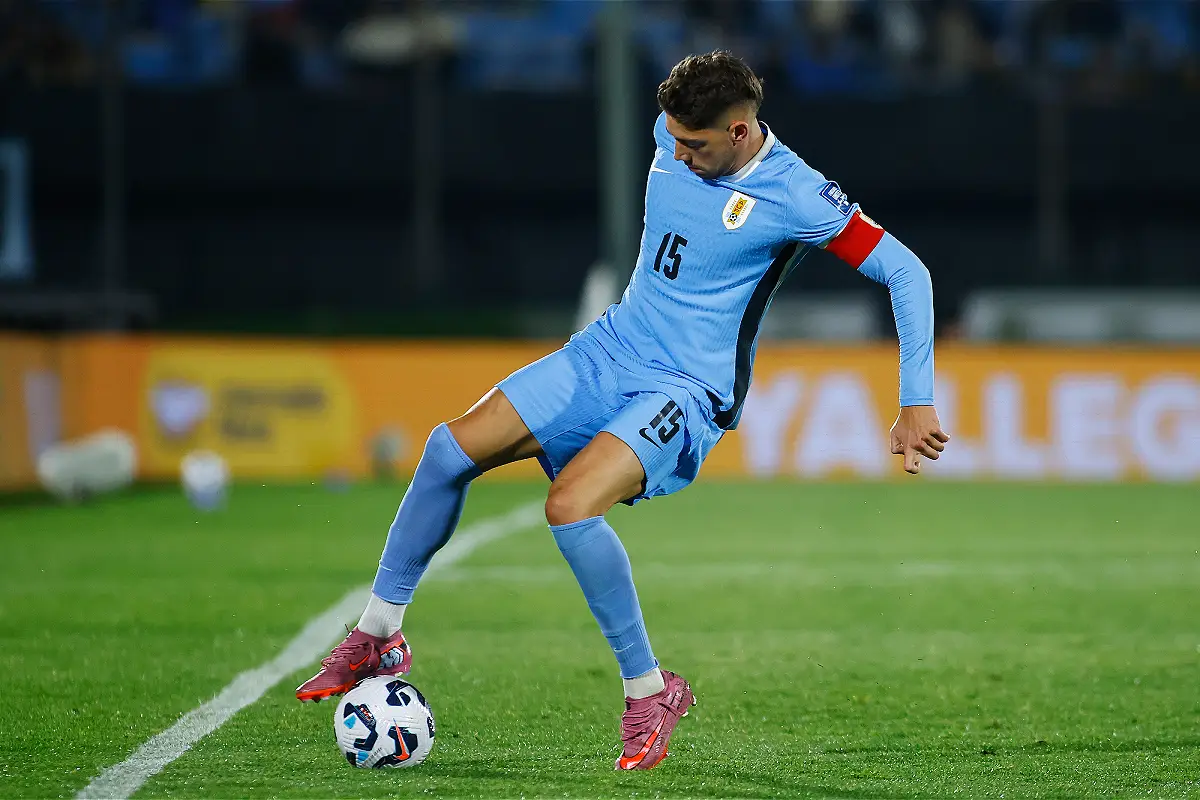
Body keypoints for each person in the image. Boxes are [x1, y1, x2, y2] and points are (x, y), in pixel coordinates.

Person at [296, 50, 949, 771]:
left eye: (692, 144)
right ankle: (379, 632)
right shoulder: (677, 132)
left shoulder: (796, 194)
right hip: (607, 350)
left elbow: (905, 270)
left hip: (684, 390)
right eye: (669, 135)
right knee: (448, 450)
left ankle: (649, 689)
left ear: (739, 131)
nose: (673, 150)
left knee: (570, 505)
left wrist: (914, 397)